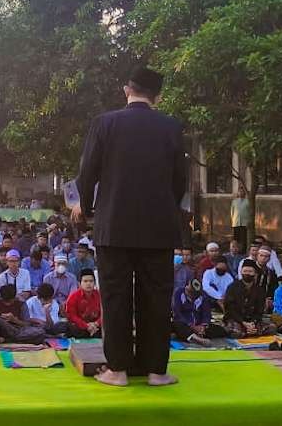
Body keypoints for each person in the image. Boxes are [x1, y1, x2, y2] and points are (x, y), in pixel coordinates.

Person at [75, 65, 186, 387]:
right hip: (158, 228)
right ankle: (156, 371)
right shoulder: (170, 126)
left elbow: (87, 174)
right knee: (156, 298)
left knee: (115, 297)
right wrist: (165, 207)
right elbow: (179, 180)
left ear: (127, 90)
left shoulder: (105, 123)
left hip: (114, 227)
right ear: (158, 96)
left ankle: (118, 370)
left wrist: (86, 207)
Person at [223, 259, 276, 338]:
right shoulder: (232, 287)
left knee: (272, 328)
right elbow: (229, 308)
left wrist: (252, 323)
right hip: (236, 319)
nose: (247, 273)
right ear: (241, 272)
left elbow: (259, 310)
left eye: (250, 271)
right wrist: (243, 322)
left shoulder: (259, 289)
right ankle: (247, 331)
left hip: (252, 320)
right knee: (235, 332)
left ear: (255, 273)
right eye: (245, 271)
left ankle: (249, 331)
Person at [172, 279, 226, 347]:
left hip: (199, 324)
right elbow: (177, 312)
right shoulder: (178, 293)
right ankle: (197, 339)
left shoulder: (203, 296)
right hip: (185, 324)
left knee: (219, 329)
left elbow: (206, 313)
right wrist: (191, 326)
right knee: (177, 325)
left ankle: (198, 334)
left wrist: (202, 326)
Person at [64, 268, 102, 338]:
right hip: (81, 326)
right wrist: (86, 326)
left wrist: (96, 324)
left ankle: (92, 332)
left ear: (95, 282)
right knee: (71, 327)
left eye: (91, 281)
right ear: (79, 283)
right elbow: (72, 316)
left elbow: (104, 314)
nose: (88, 283)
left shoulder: (99, 295)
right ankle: (92, 332)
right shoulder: (73, 297)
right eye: (85, 281)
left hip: (95, 325)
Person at [255, 246, 280, 312]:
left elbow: (274, 289)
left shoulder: (270, 273)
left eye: (266, 256)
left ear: (269, 259)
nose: (263, 258)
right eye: (261, 255)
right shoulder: (251, 269)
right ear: (257, 256)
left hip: (266, 300)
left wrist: (270, 299)